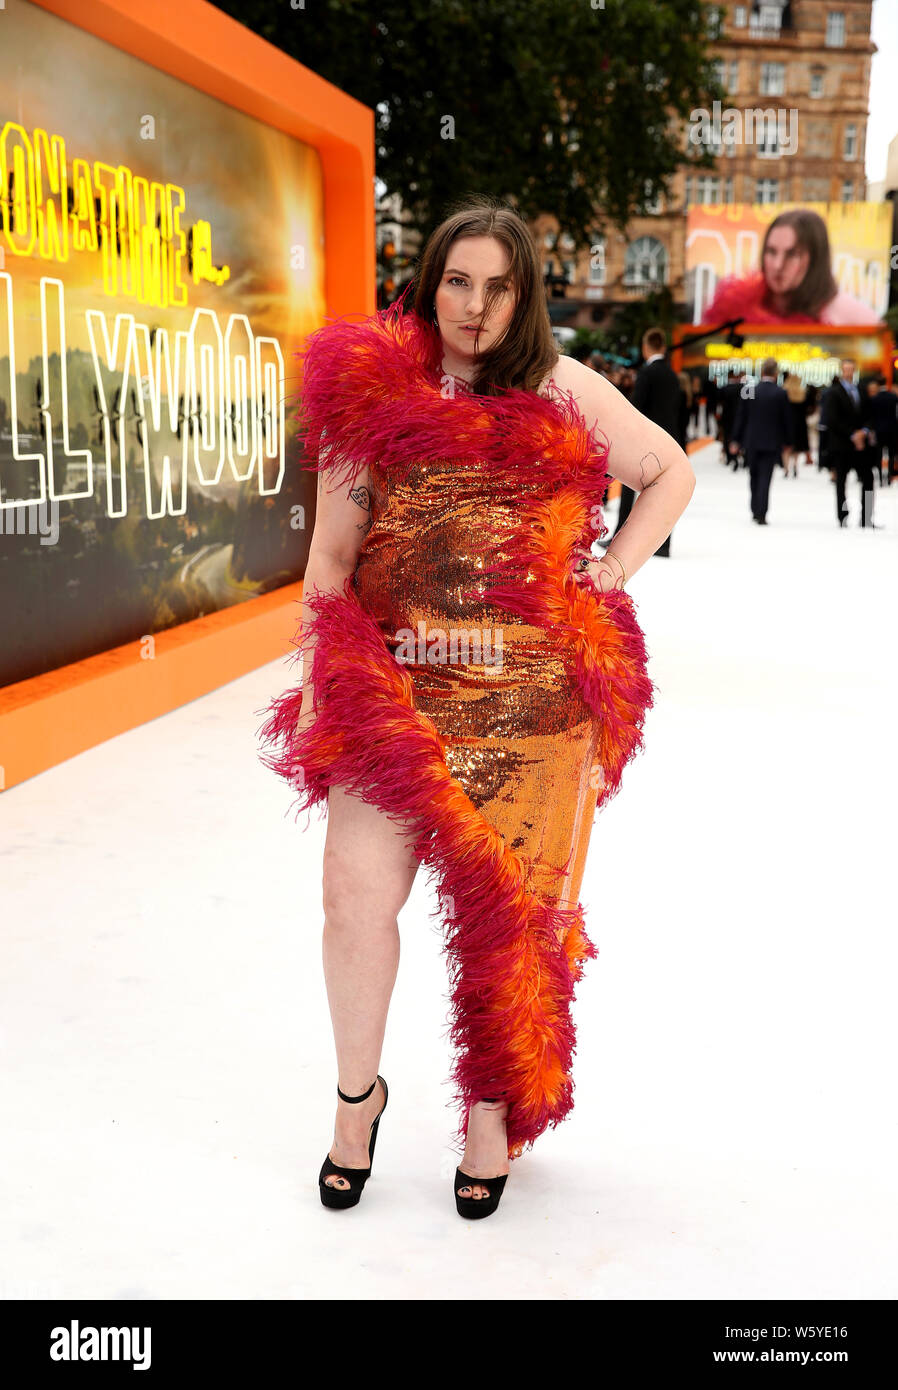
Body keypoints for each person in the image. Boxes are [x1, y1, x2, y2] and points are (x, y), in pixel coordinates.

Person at [257, 199, 696, 1219]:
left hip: (536, 712)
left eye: (498, 285)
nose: (474, 305)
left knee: (518, 923)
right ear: (429, 281)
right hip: (395, 693)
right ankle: (356, 1100)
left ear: (525, 295)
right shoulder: (373, 391)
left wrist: (614, 567)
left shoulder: (562, 386)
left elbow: (668, 470)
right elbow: (330, 557)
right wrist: (327, 674)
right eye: (458, 280)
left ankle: (492, 1115)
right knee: (352, 901)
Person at [703, 209, 882, 326]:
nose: (778, 265)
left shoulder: (856, 319)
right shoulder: (735, 313)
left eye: (792, 254)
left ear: (815, 258)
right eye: (771, 252)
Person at [607, 328, 682, 559]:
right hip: (670, 440)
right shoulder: (672, 375)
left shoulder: (647, 373)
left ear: (646, 346)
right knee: (664, 494)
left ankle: (620, 536)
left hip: (646, 442)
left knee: (629, 488)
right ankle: (663, 543)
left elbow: (635, 409)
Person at [729, 356, 793, 524]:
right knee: (766, 476)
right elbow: (786, 419)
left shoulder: (750, 390)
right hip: (772, 441)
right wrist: (788, 441)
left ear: (762, 371)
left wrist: (735, 439)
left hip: (752, 441)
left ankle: (755, 509)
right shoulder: (781, 393)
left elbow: (741, 417)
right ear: (776, 372)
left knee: (754, 475)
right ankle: (761, 512)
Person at [821, 358, 877, 527]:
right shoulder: (833, 392)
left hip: (861, 446)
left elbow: (869, 415)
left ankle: (867, 517)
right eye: (846, 369)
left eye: (851, 369)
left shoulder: (862, 390)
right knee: (841, 482)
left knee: (868, 479)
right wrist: (853, 435)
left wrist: (863, 432)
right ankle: (842, 516)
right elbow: (832, 419)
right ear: (841, 371)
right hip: (842, 444)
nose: (849, 372)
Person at [867, 375, 897, 486]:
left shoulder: (874, 399)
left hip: (878, 431)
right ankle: (889, 477)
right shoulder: (893, 397)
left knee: (879, 456)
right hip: (892, 430)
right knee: (891, 454)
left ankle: (880, 478)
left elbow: (871, 416)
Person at [782, 372, 810, 475]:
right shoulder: (802, 392)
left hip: (787, 422)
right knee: (797, 446)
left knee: (786, 446)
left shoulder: (784, 392)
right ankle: (794, 465)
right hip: (800, 423)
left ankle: (786, 468)